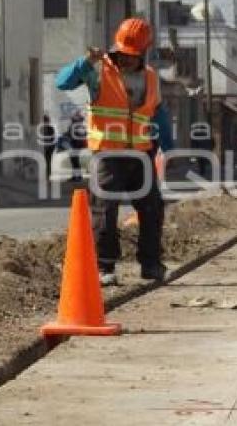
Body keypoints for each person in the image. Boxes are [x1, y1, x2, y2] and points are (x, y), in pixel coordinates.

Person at [55, 17, 174, 286]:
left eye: (132, 55)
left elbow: (158, 113)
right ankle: (104, 267)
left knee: (152, 209)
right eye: (123, 53)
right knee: (104, 209)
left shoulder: (152, 77)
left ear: (143, 52)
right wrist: (85, 62)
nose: (126, 59)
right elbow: (63, 83)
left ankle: (151, 265)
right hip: (107, 153)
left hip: (141, 153)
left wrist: (169, 147)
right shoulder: (98, 70)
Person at [65, 109, 87, 181]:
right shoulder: (76, 123)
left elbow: (80, 134)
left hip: (76, 144)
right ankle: (76, 176)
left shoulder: (78, 124)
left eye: (74, 115)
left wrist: (69, 135)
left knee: (75, 160)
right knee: (74, 160)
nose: (72, 117)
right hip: (74, 144)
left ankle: (78, 177)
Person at [39, 113, 57, 180]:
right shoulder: (43, 128)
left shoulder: (49, 128)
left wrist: (48, 146)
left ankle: (47, 175)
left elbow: (52, 138)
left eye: (45, 120)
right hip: (46, 146)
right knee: (46, 161)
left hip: (49, 147)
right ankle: (46, 174)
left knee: (47, 160)